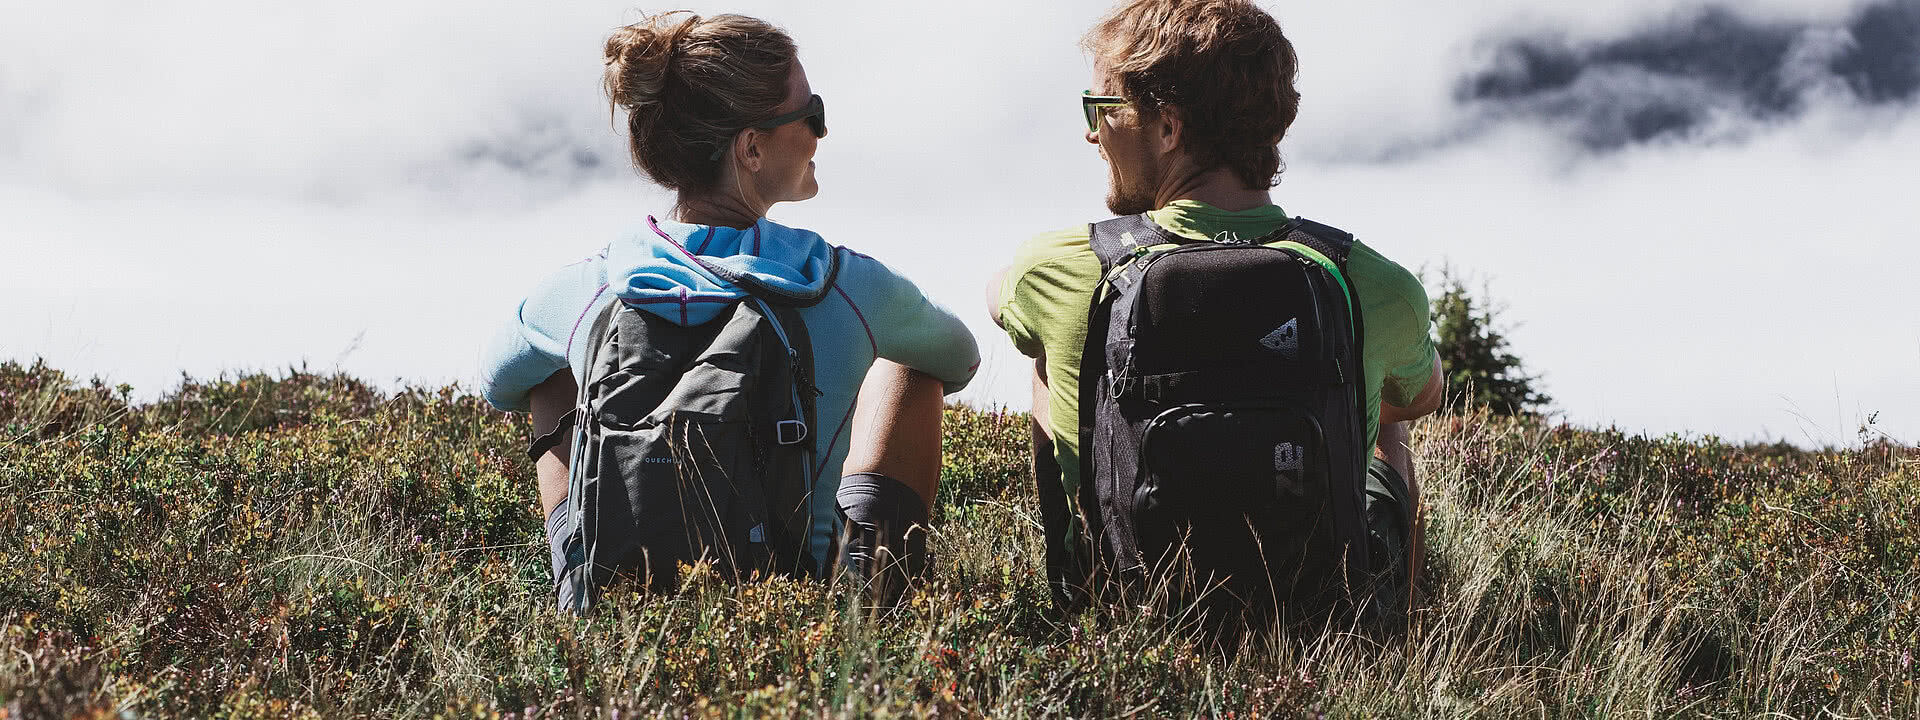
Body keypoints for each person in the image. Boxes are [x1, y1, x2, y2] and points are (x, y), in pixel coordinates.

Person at [480, 11, 978, 608]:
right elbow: (960, 357)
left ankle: (583, 594)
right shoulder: (842, 285)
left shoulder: (590, 286)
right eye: (811, 114)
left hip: (621, 605)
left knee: (551, 376)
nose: (821, 132)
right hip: (795, 607)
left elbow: (496, 380)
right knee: (909, 367)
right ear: (751, 149)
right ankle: (868, 615)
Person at [989, 0, 1444, 624]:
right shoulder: (1372, 282)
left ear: (1169, 127)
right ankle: (1393, 630)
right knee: (1382, 419)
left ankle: (1083, 596)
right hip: (1315, 625)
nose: (1093, 134)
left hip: (1133, 619)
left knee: (1045, 354)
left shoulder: (1061, 266)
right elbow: (1421, 397)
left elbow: (997, 300)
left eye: (1102, 109)